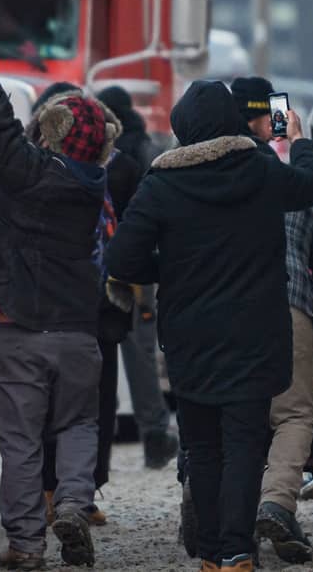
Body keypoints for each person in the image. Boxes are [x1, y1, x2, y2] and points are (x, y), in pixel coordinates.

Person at [105, 79, 313, 572]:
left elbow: (121, 257)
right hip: (256, 332)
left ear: (182, 127)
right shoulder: (260, 169)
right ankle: (237, 551)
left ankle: (211, 555)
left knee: (203, 446)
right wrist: (300, 139)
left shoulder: (161, 183)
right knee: (245, 444)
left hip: (191, 337)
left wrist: (172, 269)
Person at [0, 26, 116, 569]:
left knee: (21, 442)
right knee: (79, 425)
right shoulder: (92, 187)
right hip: (79, 336)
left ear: (51, 132)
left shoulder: (28, 176)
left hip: (21, 332)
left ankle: (25, 544)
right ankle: (71, 502)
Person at [228, 77, 313, 564]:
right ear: (266, 120)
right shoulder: (288, 180)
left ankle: (216, 515)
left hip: (223, 314)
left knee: (232, 418)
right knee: (294, 413)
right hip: (289, 307)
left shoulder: (196, 174)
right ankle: (277, 502)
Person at [34, 83, 130, 527]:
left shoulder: (105, 171)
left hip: (88, 310)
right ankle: (63, 492)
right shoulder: (64, 176)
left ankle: (74, 492)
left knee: (78, 406)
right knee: (81, 406)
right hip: (85, 309)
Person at [96, 85, 179, 470]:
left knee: (107, 353)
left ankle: (102, 433)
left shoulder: (109, 154)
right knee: (139, 351)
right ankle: (155, 435)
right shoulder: (146, 148)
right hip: (139, 271)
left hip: (111, 265)